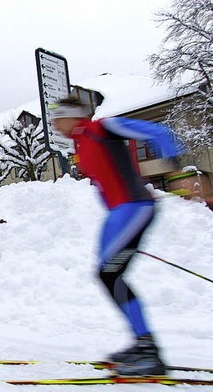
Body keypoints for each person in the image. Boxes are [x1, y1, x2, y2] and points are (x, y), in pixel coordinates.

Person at [48, 96, 183, 376]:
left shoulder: (102, 128)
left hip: (134, 207)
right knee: (108, 275)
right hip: (120, 215)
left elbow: (158, 132)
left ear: (73, 116)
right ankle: (141, 344)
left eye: (58, 119)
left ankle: (148, 351)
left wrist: (174, 169)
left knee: (110, 274)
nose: (55, 125)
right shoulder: (81, 144)